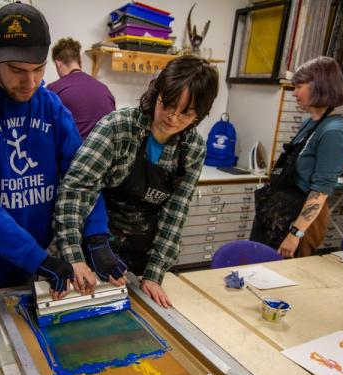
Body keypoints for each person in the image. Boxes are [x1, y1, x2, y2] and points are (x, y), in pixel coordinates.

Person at [0, 2, 112, 308]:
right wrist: (39, 259)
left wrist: (97, 235)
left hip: (35, 257)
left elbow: (82, 175)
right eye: (18, 71)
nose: (30, 83)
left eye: (38, 69)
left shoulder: (51, 107)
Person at [54, 56, 219, 307]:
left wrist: (154, 273)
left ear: (200, 114)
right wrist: (73, 256)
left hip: (141, 256)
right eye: (168, 104)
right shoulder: (119, 128)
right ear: (157, 93)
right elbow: (75, 190)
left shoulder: (193, 148)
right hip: (95, 250)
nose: (173, 118)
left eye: (186, 113)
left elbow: (175, 215)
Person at [250, 56, 343, 258]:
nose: (294, 93)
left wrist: (295, 234)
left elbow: (320, 192)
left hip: (296, 223)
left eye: (299, 86)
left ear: (319, 85)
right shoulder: (311, 123)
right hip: (276, 214)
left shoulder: (333, 132)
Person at [47, 37, 116, 139]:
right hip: (105, 152)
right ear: (80, 63)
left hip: (76, 154)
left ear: (58, 63)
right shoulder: (104, 89)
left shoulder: (53, 90)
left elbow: (45, 131)